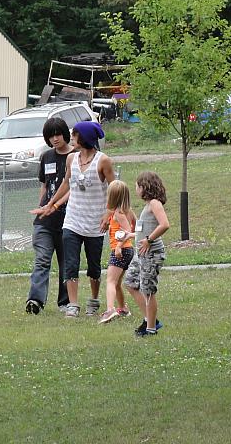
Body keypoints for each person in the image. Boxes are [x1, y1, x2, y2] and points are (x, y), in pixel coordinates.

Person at [44, 121, 116, 318]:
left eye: (74, 135)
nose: (71, 139)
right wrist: (51, 203)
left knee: (93, 265)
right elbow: (67, 183)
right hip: (73, 219)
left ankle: (93, 300)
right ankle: (73, 304)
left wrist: (108, 212)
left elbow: (115, 187)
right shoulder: (71, 159)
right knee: (71, 263)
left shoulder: (103, 161)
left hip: (95, 222)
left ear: (83, 138)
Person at [25, 118, 73, 315]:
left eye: (58, 134)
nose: (55, 139)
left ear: (65, 134)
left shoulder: (76, 156)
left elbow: (73, 186)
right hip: (45, 221)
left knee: (66, 263)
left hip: (69, 220)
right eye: (50, 135)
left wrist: (56, 205)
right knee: (42, 260)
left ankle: (65, 302)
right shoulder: (46, 157)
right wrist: (43, 207)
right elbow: (44, 185)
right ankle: (35, 300)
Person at [124, 171, 170, 336]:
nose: (135, 189)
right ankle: (150, 319)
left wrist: (149, 240)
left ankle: (151, 328)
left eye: (137, 186)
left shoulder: (155, 204)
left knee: (148, 290)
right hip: (141, 252)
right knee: (130, 282)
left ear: (145, 187)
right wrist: (131, 236)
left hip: (151, 253)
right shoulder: (147, 205)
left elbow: (164, 224)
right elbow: (145, 229)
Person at [98, 180, 136, 324]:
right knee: (117, 282)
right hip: (128, 250)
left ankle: (110, 310)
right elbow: (135, 227)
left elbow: (126, 231)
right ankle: (123, 308)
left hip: (120, 250)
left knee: (110, 281)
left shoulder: (119, 213)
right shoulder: (128, 211)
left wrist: (119, 245)